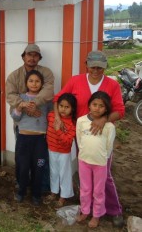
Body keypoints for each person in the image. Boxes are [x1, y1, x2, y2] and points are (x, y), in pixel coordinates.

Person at [53, 50, 125, 228]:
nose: (96, 70)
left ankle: (114, 209)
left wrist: (103, 119)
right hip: (83, 136)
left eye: (100, 68)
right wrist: (56, 117)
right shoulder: (76, 80)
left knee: (105, 175)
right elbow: (58, 99)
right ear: (86, 65)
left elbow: (120, 110)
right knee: (85, 174)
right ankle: (88, 208)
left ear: (104, 68)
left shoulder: (111, 85)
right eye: (92, 66)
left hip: (102, 138)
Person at [6, 44, 54, 191]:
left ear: (39, 58)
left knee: (41, 158)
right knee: (22, 158)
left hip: (40, 126)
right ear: (23, 56)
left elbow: (48, 91)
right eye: (29, 55)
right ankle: (21, 184)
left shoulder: (46, 73)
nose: (32, 58)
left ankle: (41, 187)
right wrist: (26, 106)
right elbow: (10, 96)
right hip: (21, 123)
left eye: (35, 55)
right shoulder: (14, 76)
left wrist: (33, 105)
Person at [11, 70, 52, 205]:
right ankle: (21, 192)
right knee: (23, 167)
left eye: (37, 81)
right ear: (26, 83)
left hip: (40, 140)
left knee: (38, 167)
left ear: (41, 84)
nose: (34, 84)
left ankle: (36, 194)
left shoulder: (45, 100)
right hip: (23, 139)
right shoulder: (21, 98)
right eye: (31, 81)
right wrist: (20, 107)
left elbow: (51, 116)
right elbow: (15, 117)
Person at [76, 91, 116, 228]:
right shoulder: (81, 121)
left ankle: (97, 215)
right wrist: (83, 153)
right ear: (89, 105)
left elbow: (109, 146)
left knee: (98, 191)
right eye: (94, 104)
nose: (97, 108)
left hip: (100, 164)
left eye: (101, 106)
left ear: (106, 109)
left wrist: (103, 159)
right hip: (84, 161)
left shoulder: (109, 126)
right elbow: (79, 138)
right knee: (85, 189)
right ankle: (85, 211)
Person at [44, 93, 77, 207]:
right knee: (53, 172)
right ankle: (54, 192)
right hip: (51, 149)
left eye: (67, 107)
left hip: (64, 152)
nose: (63, 109)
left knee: (64, 174)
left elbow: (67, 141)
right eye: (61, 106)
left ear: (72, 109)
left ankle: (63, 196)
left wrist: (58, 131)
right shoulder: (51, 116)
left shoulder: (72, 123)